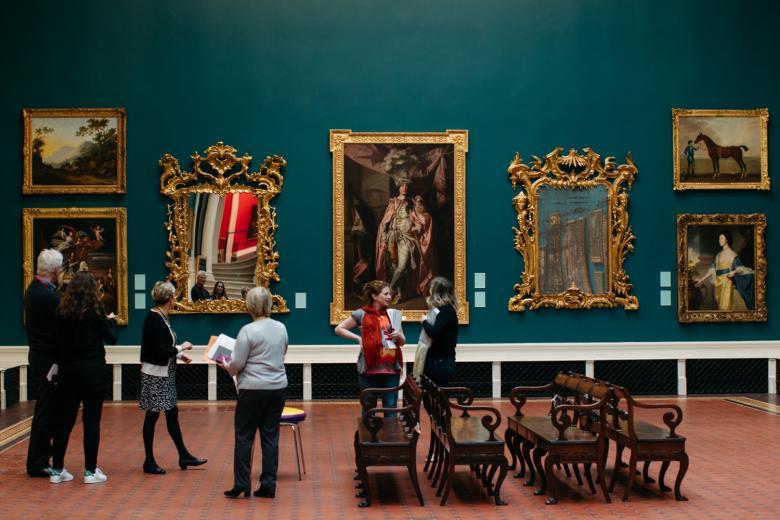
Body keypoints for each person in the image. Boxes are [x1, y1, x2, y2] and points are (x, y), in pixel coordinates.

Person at [49, 272, 117, 484]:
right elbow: (112, 339)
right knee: (91, 421)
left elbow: (56, 343)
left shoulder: (61, 312)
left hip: (68, 372)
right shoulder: (95, 312)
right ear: (92, 290)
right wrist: (111, 321)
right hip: (93, 372)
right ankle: (89, 472)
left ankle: (57, 470)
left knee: (64, 422)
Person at [222, 287, 288, 499]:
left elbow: (236, 365)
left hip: (252, 389)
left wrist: (225, 364)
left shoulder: (247, 331)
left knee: (244, 436)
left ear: (249, 306)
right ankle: (268, 484)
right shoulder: (281, 327)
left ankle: (242, 484)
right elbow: (282, 353)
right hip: (277, 387)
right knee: (270, 437)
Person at [139, 281, 207, 474]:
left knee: (171, 414)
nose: (176, 299)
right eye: (174, 296)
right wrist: (181, 348)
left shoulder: (161, 317)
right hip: (155, 375)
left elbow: (160, 347)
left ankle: (183, 455)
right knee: (152, 416)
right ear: (169, 299)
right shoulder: (155, 318)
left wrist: (178, 355)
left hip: (164, 373)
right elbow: (160, 351)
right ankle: (149, 461)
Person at [335, 280, 405, 410]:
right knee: (368, 410)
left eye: (390, 293)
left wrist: (399, 336)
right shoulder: (362, 313)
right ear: (374, 296)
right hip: (369, 371)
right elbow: (339, 329)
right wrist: (358, 338)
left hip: (390, 371)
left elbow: (402, 342)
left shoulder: (392, 314)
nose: (390, 297)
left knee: (390, 408)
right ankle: (368, 431)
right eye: (386, 294)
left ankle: (390, 431)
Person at [24, 249, 64, 478]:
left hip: (40, 356)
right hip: (47, 360)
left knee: (45, 410)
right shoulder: (48, 295)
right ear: (56, 270)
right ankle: (38, 462)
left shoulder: (35, 289)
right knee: (45, 412)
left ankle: (39, 459)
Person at [375, 180, 434, 303]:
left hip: (406, 238)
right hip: (392, 237)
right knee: (394, 267)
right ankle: (400, 294)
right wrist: (384, 235)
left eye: (407, 185)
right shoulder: (393, 202)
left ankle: (388, 291)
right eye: (402, 185)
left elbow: (424, 217)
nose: (405, 187)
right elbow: (386, 221)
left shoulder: (413, 202)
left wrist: (418, 227)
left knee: (401, 267)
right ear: (398, 187)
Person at [695, 231, 755, 310]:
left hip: (727, 283)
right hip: (718, 283)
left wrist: (734, 271)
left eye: (721, 238)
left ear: (727, 240)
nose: (719, 240)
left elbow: (739, 267)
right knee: (720, 308)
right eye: (719, 238)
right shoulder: (719, 255)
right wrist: (701, 279)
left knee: (725, 307)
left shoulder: (732, 254)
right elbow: (712, 269)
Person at [420, 277, 459, 386]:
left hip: (440, 362)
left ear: (436, 291)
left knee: (438, 399)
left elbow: (434, 333)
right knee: (435, 399)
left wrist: (424, 321)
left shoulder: (446, 311)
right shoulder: (444, 310)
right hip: (438, 361)